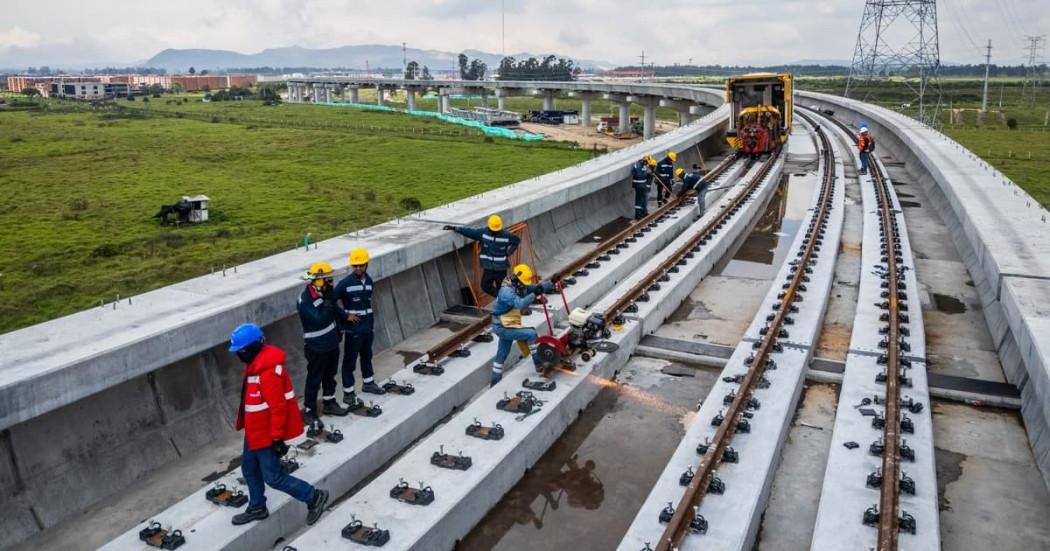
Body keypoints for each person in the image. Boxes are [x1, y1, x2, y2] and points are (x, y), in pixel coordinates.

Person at [227, 323, 330, 526]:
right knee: (249, 469)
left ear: (253, 347)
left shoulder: (268, 372)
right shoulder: (255, 365)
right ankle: (257, 507)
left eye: (241, 351)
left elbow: (278, 408)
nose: (239, 355)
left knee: (273, 477)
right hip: (254, 433)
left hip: (266, 436)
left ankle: (313, 496)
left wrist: (276, 439)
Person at [297, 262, 348, 421]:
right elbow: (320, 319)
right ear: (319, 281)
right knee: (315, 378)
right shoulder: (305, 300)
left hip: (331, 342)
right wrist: (327, 301)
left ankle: (329, 402)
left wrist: (342, 322)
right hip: (317, 347)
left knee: (330, 375)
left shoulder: (326, 294)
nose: (332, 283)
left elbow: (335, 310)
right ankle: (310, 409)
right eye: (329, 280)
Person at [335, 247, 385, 407]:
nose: (358, 268)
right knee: (349, 361)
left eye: (361, 265)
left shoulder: (369, 281)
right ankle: (348, 393)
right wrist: (345, 315)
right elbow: (330, 303)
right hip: (354, 329)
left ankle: (368, 383)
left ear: (366, 265)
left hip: (367, 328)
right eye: (355, 266)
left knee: (367, 356)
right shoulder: (345, 284)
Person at [490, 264, 555, 386]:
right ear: (517, 279)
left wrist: (550, 283)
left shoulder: (517, 285)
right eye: (523, 283)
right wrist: (536, 293)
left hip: (508, 323)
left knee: (502, 353)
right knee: (531, 334)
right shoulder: (506, 292)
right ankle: (540, 365)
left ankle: (495, 381)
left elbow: (533, 288)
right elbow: (520, 304)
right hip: (503, 327)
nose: (525, 285)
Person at [443, 214, 521, 298]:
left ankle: (504, 299)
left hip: (500, 268)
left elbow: (516, 241)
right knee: (486, 286)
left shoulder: (505, 235)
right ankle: (502, 297)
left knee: (500, 288)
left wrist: (509, 252)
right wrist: (456, 228)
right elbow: (470, 232)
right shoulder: (484, 233)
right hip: (490, 268)